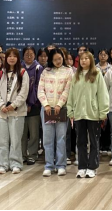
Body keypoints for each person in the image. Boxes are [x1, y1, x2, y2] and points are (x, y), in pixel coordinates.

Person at [67, 52, 110, 179]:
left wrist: (103, 112)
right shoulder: (76, 76)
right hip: (79, 114)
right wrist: (70, 111)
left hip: (93, 114)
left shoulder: (97, 74)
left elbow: (102, 94)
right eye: (81, 59)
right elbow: (71, 95)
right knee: (80, 142)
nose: (83, 61)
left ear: (91, 60)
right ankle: (82, 167)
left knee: (94, 142)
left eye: (86, 58)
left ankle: (92, 167)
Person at [0, 48, 29, 175]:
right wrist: (1, 105)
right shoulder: (1, 73)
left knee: (15, 140)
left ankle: (16, 163)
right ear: (6, 58)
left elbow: (24, 93)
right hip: (2, 112)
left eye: (14, 56)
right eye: (9, 56)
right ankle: (3, 164)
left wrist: (14, 105)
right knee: (2, 140)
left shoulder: (23, 73)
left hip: (16, 112)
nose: (12, 58)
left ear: (18, 58)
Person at [38, 48, 73, 177]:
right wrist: (46, 104)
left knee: (61, 138)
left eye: (60, 58)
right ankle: (49, 165)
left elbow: (68, 90)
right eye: (55, 59)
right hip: (47, 109)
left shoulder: (69, 71)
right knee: (47, 139)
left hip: (61, 109)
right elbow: (40, 90)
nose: (58, 61)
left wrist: (59, 104)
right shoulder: (45, 72)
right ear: (51, 60)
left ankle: (61, 165)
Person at [21, 46, 43, 166]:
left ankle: (32, 155)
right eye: (26, 54)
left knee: (34, 133)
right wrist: (23, 103)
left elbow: (37, 87)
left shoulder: (39, 68)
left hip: (34, 105)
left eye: (31, 54)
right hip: (20, 105)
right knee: (22, 133)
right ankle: (22, 155)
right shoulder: (19, 67)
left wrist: (30, 103)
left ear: (35, 55)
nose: (29, 56)